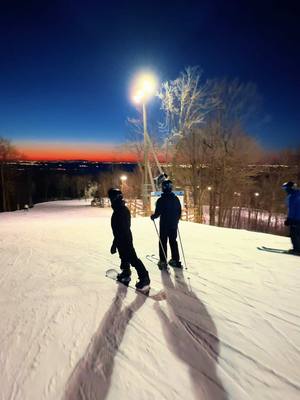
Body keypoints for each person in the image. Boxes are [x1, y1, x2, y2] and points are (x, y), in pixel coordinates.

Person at [108, 188, 151, 291]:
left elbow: (124, 229)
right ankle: (126, 272)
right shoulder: (119, 208)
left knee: (133, 259)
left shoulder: (121, 210)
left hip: (125, 239)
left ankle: (144, 277)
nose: (110, 200)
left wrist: (119, 243)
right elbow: (119, 230)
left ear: (115, 198)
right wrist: (115, 243)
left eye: (111, 198)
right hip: (121, 239)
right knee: (123, 257)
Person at [150, 180, 182, 269]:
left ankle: (163, 261)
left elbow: (157, 213)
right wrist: (176, 219)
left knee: (163, 241)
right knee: (173, 241)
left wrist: (153, 216)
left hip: (164, 225)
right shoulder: (176, 199)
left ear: (163, 188)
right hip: (173, 224)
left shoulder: (161, 200)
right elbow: (179, 211)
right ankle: (175, 260)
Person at [282, 181, 300, 255]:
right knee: (294, 234)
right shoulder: (291, 196)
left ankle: (297, 250)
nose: (285, 190)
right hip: (294, 218)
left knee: (296, 235)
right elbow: (291, 209)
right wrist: (288, 219)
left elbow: (296, 209)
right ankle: (297, 249)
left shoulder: (296, 195)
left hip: (297, 219)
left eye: (286, 188)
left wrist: (292, 219)